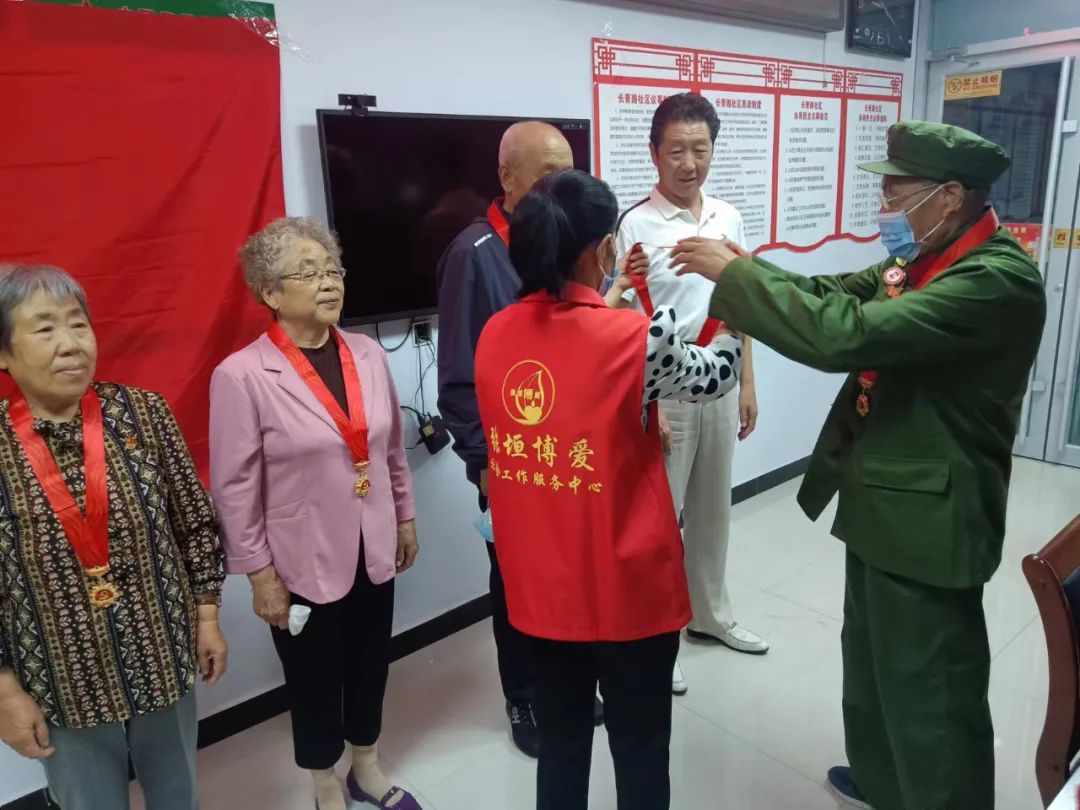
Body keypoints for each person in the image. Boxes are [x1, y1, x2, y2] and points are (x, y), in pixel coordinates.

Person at [671, 121, 1046, 810]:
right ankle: (880, 782)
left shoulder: (994, 281)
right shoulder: (921, 260)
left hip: (933, 516)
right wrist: (749, 268)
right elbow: (833, 293)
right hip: (881, 496)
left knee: (932, 691)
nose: (884, 209)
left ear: (949, 197)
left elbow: (847, 333)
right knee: (872, 664)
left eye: (896, 195)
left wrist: (738, 277)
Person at [474, 169, 743, 810]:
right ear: (603, 251)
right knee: (640, 745)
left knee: (562, 742)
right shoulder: (635, 340)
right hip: (628, 591)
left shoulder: (495, 335)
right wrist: (733, 303)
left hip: (542, 590)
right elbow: (718, 374)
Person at [209, 217, 420, 810]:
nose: (328, 283)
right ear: (270, 293)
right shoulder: (242, 375)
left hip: (373, 541)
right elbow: (234, 487)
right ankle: (324, 777)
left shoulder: (368, 354)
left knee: (371, 663)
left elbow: (389, 449)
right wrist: (259, 575)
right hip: (299, 559)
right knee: (313, 677)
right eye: (308, 274)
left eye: (332, 270)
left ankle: (367, 767)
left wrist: (404, 516)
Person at [0, 264, 227, 810]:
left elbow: (194, 523)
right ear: (4, 353)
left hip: (161, 651)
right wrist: (4, 689)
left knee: (177, 792)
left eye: (78, 324)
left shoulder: (142, 413)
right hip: (58, 676)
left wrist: (207, 616)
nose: (70, 343)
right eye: (45, 328)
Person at [436, 120, 602, 757]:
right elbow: (458, 374)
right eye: (546, 175)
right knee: (516, 583)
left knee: (567, 574)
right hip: (508, 461)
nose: (559, 188)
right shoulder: (475, 254)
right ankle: (524, 696)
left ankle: (568, 684)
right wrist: (482, 462)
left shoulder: (566, 245)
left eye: (567, 174)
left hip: (567, 454)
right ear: (506, 177)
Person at [612, 92, 767, 697]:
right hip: (666, 389)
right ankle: (659, 636)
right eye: (676, 150)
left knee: (712, 509)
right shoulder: (634, 225)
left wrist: (748, 381)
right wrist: (645, 403)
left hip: (721, 378)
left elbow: (740, 302)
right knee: (660, 517)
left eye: (699, 149)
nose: (688, 163)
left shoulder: (728, 217)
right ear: (654, 152)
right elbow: (622, 319)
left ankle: (710, 617)